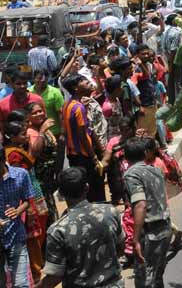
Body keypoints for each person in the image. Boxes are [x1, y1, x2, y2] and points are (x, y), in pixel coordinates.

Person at [39, 167, 124, 288]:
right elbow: (121, 247)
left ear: (61, 194)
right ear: (87, 188)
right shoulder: (110, 212)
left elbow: (54, 276)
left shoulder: (58, 230)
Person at [123, 136, 172, 288]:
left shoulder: (131, 174)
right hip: (165, 229)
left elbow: (140, 205)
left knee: (145, 280)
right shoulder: (155, 170)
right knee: (156, 277)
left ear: (126, 156)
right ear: (145, 153)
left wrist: (135, 239)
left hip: (150, 234)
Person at [60, 74, 106, 203]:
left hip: (73, 154)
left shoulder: (67, 105)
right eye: (82, 81)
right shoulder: (79, 108)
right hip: (84, 155)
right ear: (75, 88)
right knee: (94, 186)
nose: (86, 82)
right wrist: (94, 156)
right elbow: (83, 135)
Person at [0, 145, 33, 287]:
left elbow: (27, 200)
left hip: (15, 235)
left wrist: (18, 210)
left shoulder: (21, 175)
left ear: (3, 160)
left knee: (21, 284)